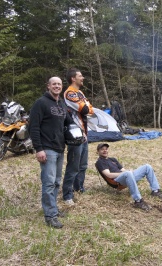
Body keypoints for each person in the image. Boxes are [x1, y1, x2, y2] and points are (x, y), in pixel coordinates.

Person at [29, 77, 72, 229]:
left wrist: (78, 131)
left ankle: (53, 208)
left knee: (56, 182)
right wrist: (38, 148)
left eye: (59, 84)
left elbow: (67, 121)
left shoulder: (61, 103)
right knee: (48, 183)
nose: (57, 86)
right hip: (47, 148)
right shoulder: (41, 103)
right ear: (48, 86)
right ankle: (50, 216)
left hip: (60, 147)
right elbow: (33, 127)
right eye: (54, 84)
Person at [95, 143, 162, 211]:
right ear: (98, 151)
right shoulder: (100, 162)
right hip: (116, 181)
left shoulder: (113, 159)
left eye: (106, 149)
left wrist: (130, 171)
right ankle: (138, 201)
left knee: (147, 167)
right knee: (128, 173)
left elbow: (123, 170)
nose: (105, 150)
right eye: (102, 149)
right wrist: (126, 173)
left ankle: (156, 191)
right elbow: (109, 175)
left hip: (126, 176)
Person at [62, 68, 94, 206]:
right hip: (75, 135)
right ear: (73, 79)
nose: (83, 78)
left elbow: (91, 110)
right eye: (80, 76)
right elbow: (86, 109)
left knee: (83, 165)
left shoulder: (80, 93)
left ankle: (78, 187)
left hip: (84, 134)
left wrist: (86, 105)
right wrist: (86, 105)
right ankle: (67, 194)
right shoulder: (70, 93)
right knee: (73, 166)